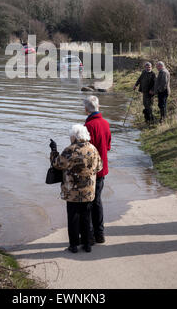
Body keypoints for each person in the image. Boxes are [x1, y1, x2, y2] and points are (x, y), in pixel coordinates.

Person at [50, 124, 102, 253]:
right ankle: (87, 244)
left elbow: (57, 164)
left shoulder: (70, 150)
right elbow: (99, 167)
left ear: (74, 136)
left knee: (73, 217)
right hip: (88, 190)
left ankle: (73, 245)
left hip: (72, 191)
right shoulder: (93, 149)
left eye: (70, 136)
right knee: (86, 216)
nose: (70, 138)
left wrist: (53, 150)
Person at [83, 96, 111, 244]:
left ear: (86, 109)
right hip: (102, 169)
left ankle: (91, 236)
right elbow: (107, 146)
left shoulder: (88, 126)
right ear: (98, 106)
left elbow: (85, 151)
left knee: (89, 202)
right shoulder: (106, 123)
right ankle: (99, 234)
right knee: (97, 201)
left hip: (91, 171)